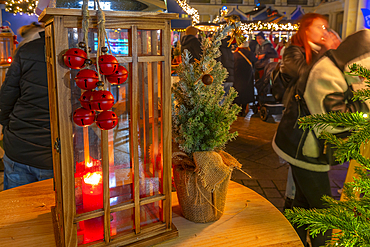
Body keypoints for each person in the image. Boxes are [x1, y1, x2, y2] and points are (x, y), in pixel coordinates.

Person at [272, 13, 365, 247]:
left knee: (301, 200)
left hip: (307, 136)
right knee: (319, 205)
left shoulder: (327, 58)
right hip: (300, 134)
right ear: (305, 30)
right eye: (320, 26)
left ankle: (291, 237)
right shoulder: (294, 50)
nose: (325, 30)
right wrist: (330, 54)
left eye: (327, 26)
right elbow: (307, 75)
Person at [0, 22, 53, 190]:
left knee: (16, 210)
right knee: (52, 211)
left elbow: (6, 98)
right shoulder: (82, 56)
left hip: (19, 147)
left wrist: (10, 127)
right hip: (55, 155)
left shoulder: (27, 50)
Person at [233, 41, 257, 117]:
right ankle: (244, 108)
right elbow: (255, 61)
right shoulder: (250, 53)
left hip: (237, 75)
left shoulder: (235, 54)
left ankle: (238, 110)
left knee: (237, 91)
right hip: (247, 76)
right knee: (246, 91)